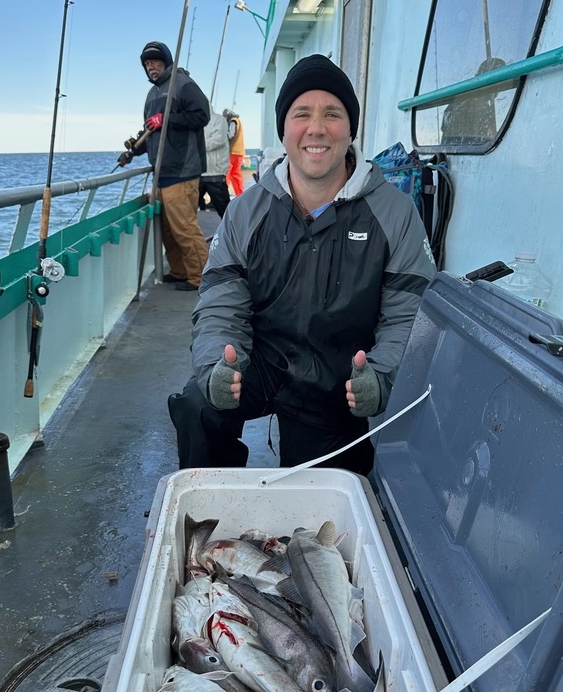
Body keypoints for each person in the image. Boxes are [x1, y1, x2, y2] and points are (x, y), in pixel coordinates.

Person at [167, 54, 436, 476]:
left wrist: (381, 375)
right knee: (198, 405)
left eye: (332, 114)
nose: (316, 128)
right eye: (302, 114)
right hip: (260, 362)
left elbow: (409, 315)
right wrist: (216, 363)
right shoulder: (245, 211)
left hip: (340, 378)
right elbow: (220, 302)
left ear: (350, 129)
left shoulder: (395, 213)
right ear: (284, 130)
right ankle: (214, 506)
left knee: (324, 494)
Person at [119, 40, 210, 290]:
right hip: (161, 174)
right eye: (147, 64)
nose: (151, 67)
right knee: (168, 230)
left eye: (155, 62)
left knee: (184, 228)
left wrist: (166, 118)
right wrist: (132, 152)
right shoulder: (152, 95)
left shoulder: (183, 83)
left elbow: (202, 115)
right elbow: (151, 131)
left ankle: (202, 277)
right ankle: (180, 271)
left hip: (182, 171)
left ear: (166, 62)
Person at [198, 111, 231, 218]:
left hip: (215, 173)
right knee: (188, 212)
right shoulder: (195, 121)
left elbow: (218, 140)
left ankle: (236, 229)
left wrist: (195, 145)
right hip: (198, 173)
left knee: (226, 212)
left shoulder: (219, 120)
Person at [223, 108, 245, 196]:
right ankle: (240, 195)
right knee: (236, 174)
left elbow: (230, 135)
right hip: (239, 152)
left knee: (226, 174)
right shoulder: (237, 121)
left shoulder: (233, 121)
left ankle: (222, 194)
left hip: (233, 152)